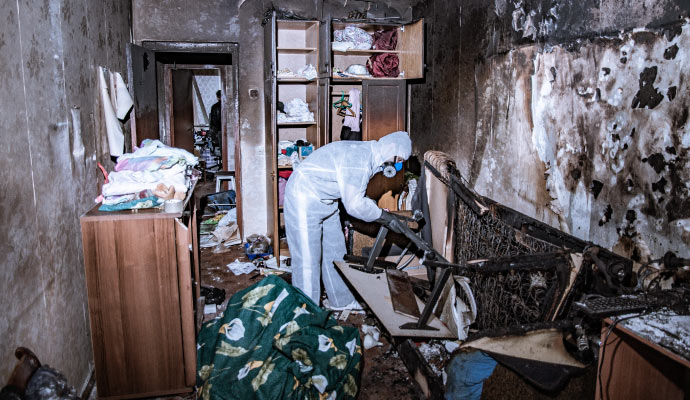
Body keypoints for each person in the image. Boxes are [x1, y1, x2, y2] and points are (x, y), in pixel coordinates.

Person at [284, 131, 412, 309]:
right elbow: (354, 205)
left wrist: (381, 214)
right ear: (391, 148)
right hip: (304, 196)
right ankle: (307, 311)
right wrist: (384, 217)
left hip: (326, 199)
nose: (397, 166)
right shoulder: (360, 159)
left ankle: (341, 300)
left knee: (335, 251)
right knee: (307, 258)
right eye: (398, 160)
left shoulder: (372, 155)